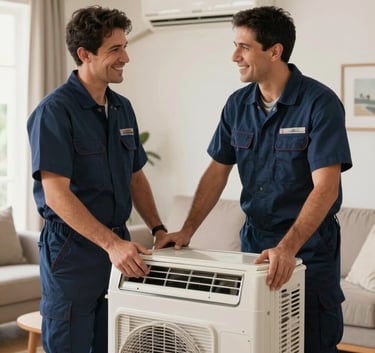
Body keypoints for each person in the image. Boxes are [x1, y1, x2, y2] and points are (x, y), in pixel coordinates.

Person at [155, 6, 352, 353]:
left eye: (244, 47)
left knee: (313, 342)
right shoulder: (236, 105)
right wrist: (187, 229)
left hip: (308, 249)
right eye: (235, 45)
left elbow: (326, 186)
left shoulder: (319, 104)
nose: (234, 56)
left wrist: (288, 249)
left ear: (274, 51)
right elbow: (217, 172)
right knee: (256, 341)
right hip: (255, 246)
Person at [27, 6, 168, 353]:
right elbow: (57, 194)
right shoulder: (54, 112)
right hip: (72, 252)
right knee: (70, 344)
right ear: (84, 54)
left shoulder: (122, 108)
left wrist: (158, 228)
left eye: (125, 46)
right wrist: (112, 245)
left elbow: (136, 176)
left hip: (116, 246)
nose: (126, 58)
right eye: (115, 50)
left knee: (113, 343)